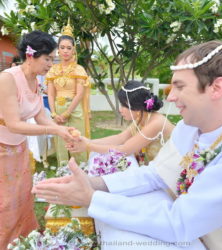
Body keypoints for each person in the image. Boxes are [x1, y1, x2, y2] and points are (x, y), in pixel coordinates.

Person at [32, 40, 222, 250]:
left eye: (179, 86)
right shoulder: (190, 128)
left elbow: (180, 223)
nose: (171, 97)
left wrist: (91, 198)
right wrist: (93, 182)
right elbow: (154, 175)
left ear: (217, 88)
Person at [0, 30, 76, 250]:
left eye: (52, 59)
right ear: (31, 56)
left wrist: (61, 129)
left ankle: (23, 240)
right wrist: (53, 132)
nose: (51, 64)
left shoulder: (36, 80)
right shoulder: (8, 79)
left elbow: (40, 115)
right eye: (48, 58)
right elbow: (14, 123)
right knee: (5, 202)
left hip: (18, 147)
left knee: (22, 197)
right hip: (2, 148)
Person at [67, 80, 174, 166]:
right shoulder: (142, 118)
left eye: (123, 105)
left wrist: (89, 146)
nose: (120, 110)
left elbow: (124, 150)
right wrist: (88, 141)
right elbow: (120, 138)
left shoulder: (156, 123)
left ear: (136, 107)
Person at [45, 20, 90, 166]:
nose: (65, 51)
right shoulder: (52, 70)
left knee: (77, 138)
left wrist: (67, 113)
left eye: (68, 48)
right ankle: (63, 169)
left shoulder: (79, 69)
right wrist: (54, 113)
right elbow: (50, 94)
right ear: (58, 49)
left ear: (73, 50)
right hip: (57, 109)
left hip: (74, 109)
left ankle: (82, 168)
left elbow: (79, 94)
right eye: (62, 47)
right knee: (61, 140)